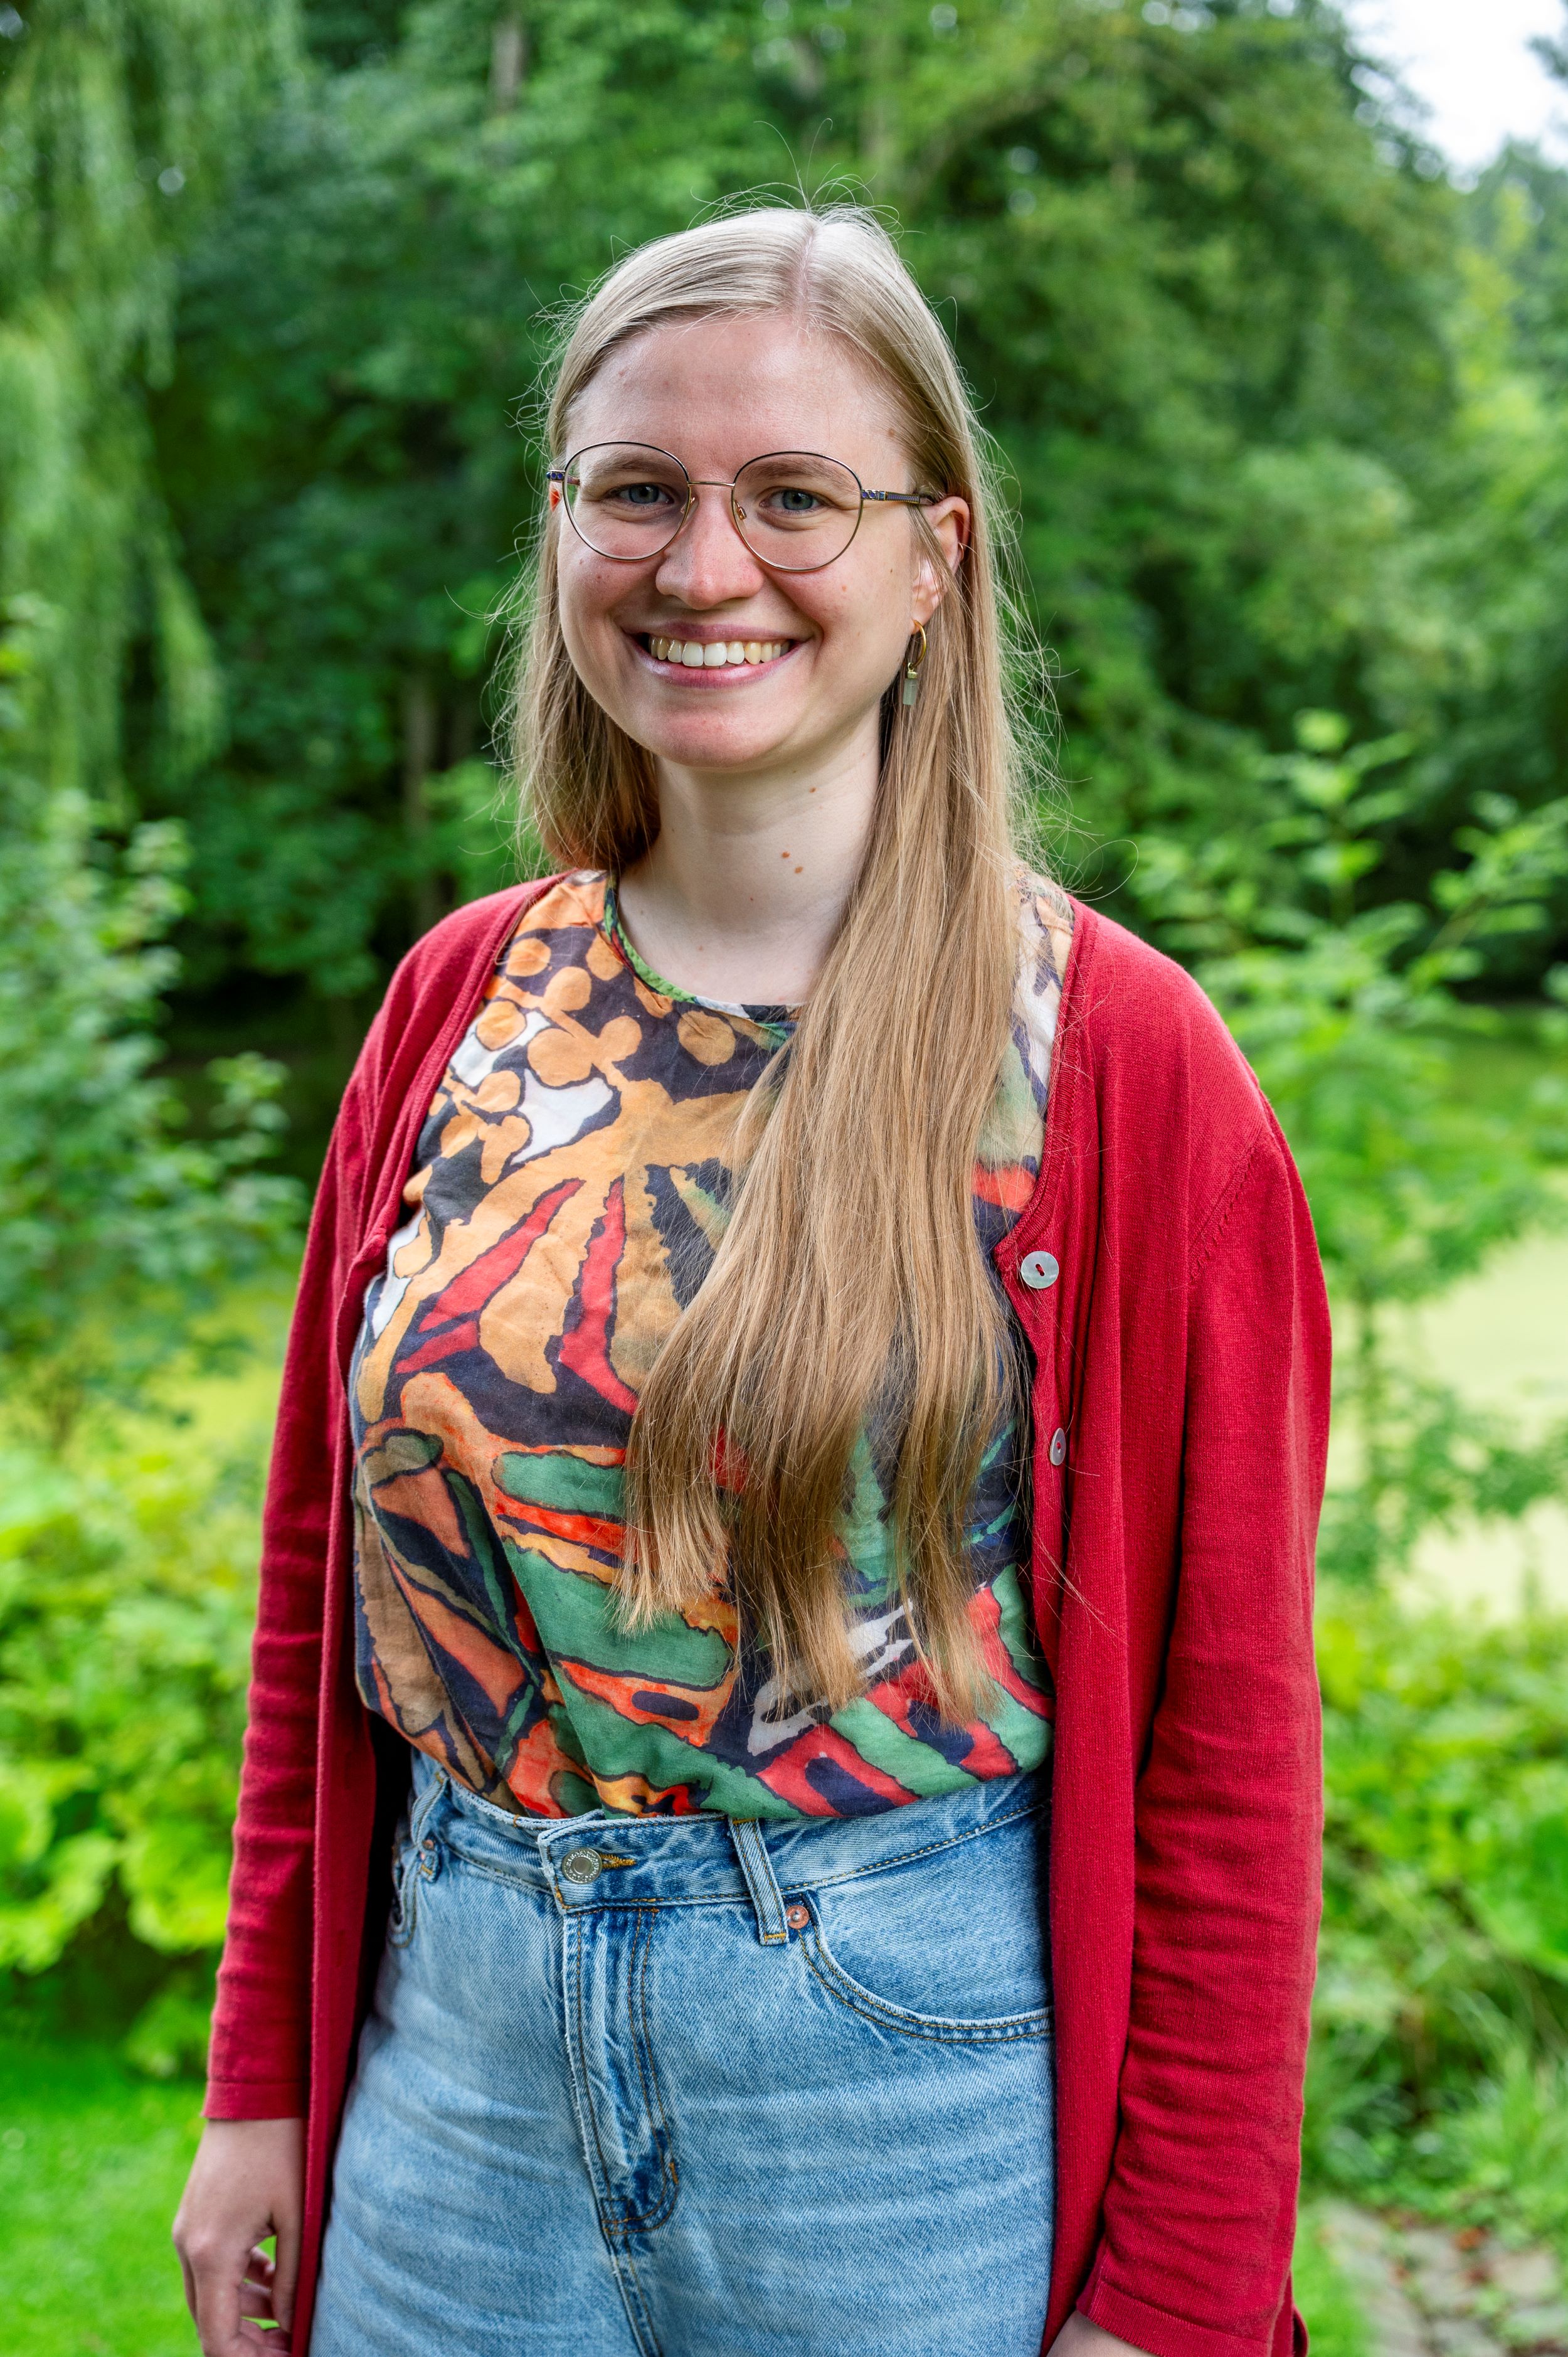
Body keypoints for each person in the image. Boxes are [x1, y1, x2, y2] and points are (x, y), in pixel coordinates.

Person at [172, 204, 1330, 2357]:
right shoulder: (458, 1003)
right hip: (456, 2075)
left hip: (902, 2094)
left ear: (933, 555)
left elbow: (1229, 1744)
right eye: (638, 491)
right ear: (564, 531)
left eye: (794, 494)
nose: (705, 565)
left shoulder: (1115, 1063)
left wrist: (1172, 2298)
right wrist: (259, 2077)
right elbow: (316, 1592)